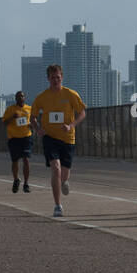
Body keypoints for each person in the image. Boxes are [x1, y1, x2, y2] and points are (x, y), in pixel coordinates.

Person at [31, 64, 86, 217]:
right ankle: (57, 205)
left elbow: (82, 113)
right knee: (55, 168)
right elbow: (32, 117)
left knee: (64, 174)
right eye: (52, 77)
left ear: (62, 77)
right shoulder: (42, 97)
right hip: (50, 137)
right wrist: (38, 129)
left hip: (68, 138)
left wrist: (72, 125)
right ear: (48, 79)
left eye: (58, 77)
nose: (55, 80)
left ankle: (64, 182)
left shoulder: (70, 94)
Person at [2, 91, 34, 193]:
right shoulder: (10, 109)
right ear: (15, 99)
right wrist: (12, 117)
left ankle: (26, 183)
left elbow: (33, 121)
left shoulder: (29, 109)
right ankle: (16, 180)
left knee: (26, 159)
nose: (20, 98)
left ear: (24, 98)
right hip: (14, 138)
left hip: (26, 137)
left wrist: (32, 126)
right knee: (15, 161)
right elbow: (4, 123)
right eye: (18, 96)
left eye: (22, 96)